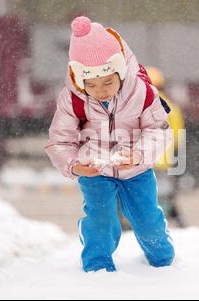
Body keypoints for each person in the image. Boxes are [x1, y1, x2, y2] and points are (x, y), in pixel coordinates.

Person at [45, 16, 175, 272]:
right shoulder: (73, 99)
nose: (100, 90)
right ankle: (97, 268)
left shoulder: (143, 92)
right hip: (94, 170)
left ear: (120, 72)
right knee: (101, 221)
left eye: (107, 81)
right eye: (90, 84)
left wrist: (138, 155)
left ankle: (163, 262)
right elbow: (60, 139)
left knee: (148, 220)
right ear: (79, 78)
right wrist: (74, 165)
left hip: (136, 170)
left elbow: (160, 131)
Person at [146, 66, 186, 228]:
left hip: (142, 161)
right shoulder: (171, 107)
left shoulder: (138, 106)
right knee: (163, 195)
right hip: (163, 161)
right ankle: (166, 222)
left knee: (143, 194)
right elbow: (177, 137)